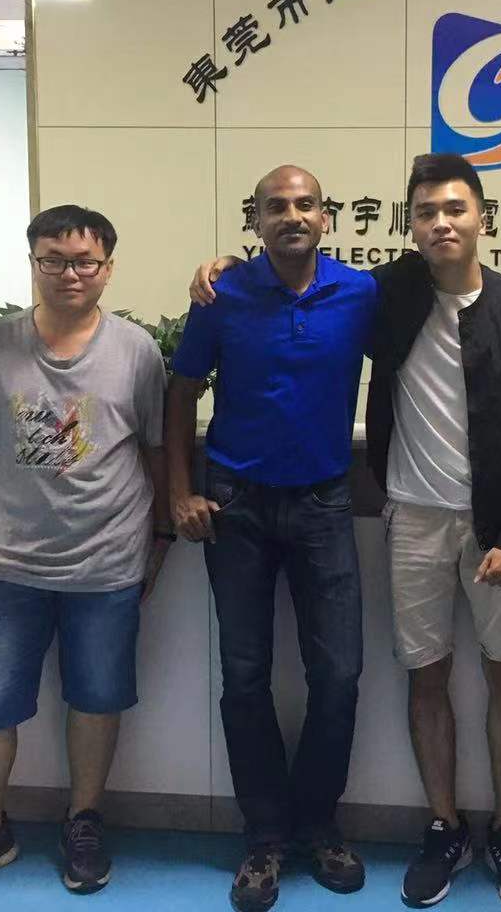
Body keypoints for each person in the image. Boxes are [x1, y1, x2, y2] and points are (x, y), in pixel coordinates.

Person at [190, 152, 501, 912]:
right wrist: (223, 266)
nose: (442, 223)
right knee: (379, 676)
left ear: (482, 217)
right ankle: (415, 829)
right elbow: (212, 353)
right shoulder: (384, 292)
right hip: (387, 514)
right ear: (410, 225)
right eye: (427, 213)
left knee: (470, 676)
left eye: (455, 209)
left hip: (479, 523)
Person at [0, 205, 170, 900]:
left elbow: (155, 452)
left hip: (108, 562)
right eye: (52, 260)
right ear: (33, 264)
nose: (69, 273)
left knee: (97, 699)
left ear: (108, 269)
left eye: (85, 261)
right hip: (6, 563)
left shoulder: (137, 351)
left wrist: (161, 539)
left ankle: (83, 821)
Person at [169, 165, 376, 912]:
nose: (292, 215)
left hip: (323, 501)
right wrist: (179, 490)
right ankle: (264, 835)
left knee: (340, 675)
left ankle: (317, 824)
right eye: (276, 206)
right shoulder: (222, 294)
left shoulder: (361, 293)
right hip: (236, 507)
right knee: (245, 676)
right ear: (255, 220)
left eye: (305, 204)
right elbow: (181, 392)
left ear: (327, 217)